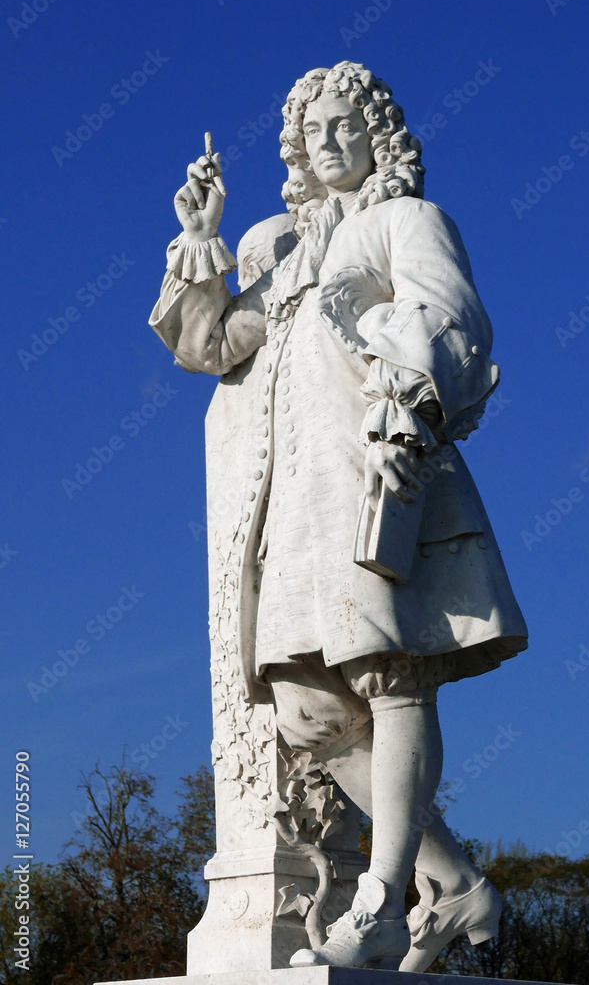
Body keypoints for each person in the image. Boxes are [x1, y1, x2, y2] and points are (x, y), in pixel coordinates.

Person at [149, 61, 528, 972]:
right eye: (312, 129)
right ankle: (453, 885)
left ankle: (382, 900)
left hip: (374, 478)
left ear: (377, 136)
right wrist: (199, 241)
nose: (327, 142)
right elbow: (209, 345)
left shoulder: (406, 221)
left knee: (391, 674)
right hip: (288, 506)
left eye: (344, 124)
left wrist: (408, 411)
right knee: (311, 716)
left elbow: (450, 318)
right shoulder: (275, 248)